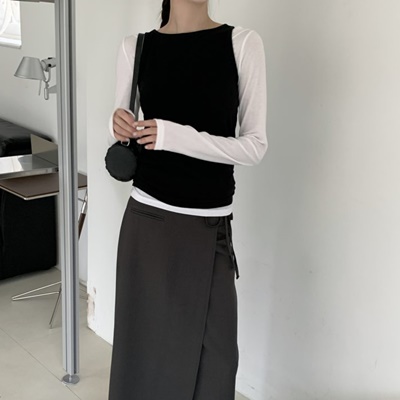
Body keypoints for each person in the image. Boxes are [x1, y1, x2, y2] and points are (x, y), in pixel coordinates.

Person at [108, 0, 267, 399]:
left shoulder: (242, 43)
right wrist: (117, 125)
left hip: (210, 225)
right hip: (148, 221)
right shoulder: (135, 47)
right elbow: (125, 132)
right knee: (143, 355)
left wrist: (174, 136)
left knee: (216, 363)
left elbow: (254, 147)